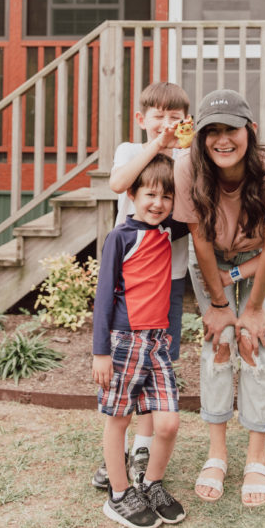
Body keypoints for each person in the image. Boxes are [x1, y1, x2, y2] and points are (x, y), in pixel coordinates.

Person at [173, 89, 265, 506]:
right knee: (218, 343)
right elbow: (201, 240)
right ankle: (216, 453)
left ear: (251, 130)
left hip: (263, 258)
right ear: (201, 137)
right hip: (213, 258)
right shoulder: (188, 169)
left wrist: (254, 308)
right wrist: (221, 305)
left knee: (253, 343)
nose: (221, 139)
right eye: (212, 131)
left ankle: (256, 457)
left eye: (231, 129)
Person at [91, 81, 190, 491]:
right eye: (158, 117)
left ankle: (142, 449)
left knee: (156, 368)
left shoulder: (187, 159)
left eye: (174, 118)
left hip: (169, 280)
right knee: (126, 374)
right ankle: (120, 454)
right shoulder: (132, 151)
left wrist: (184, 152)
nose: (165, 125)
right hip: (130, 277)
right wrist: (158, 146)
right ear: (142, 120)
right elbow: (118, 184)